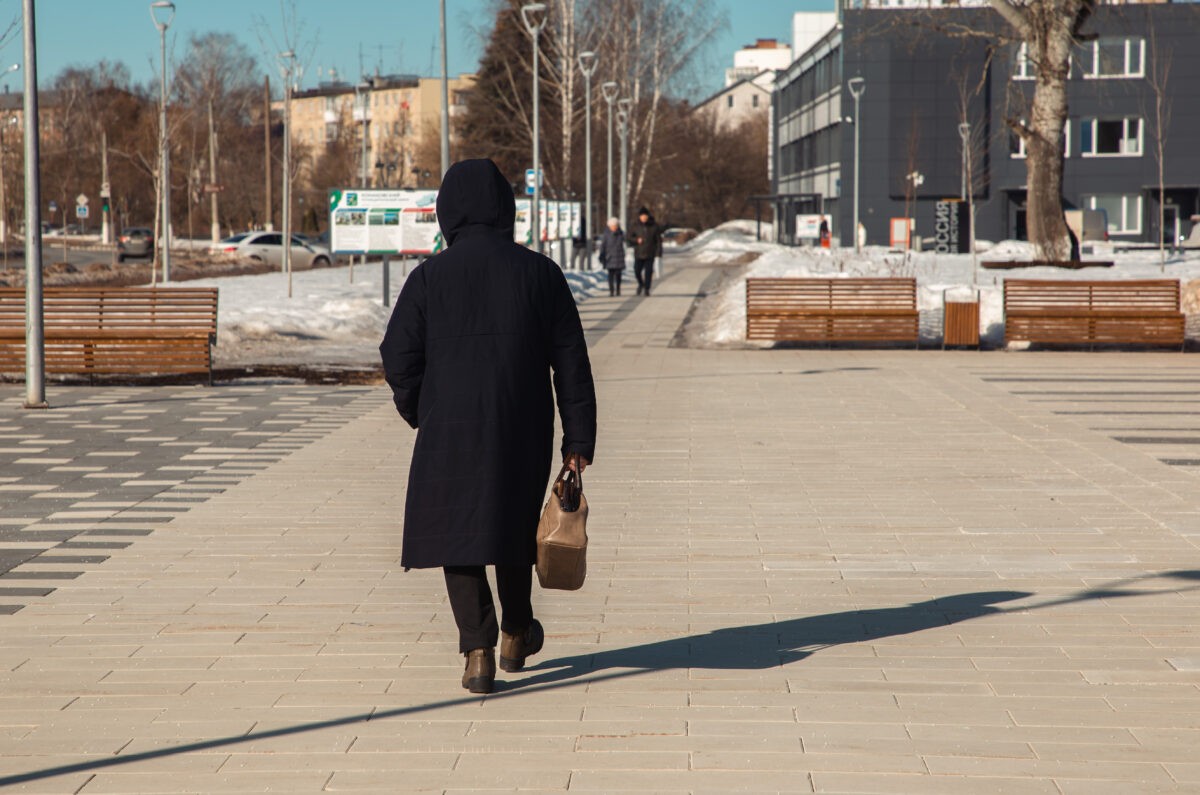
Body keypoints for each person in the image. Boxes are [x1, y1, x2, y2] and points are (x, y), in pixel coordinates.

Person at [379, 159, 597, 695]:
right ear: (506, 208)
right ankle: (516, 630)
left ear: (447, 211)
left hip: (448, 429)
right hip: (520, 424)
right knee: (513, 528)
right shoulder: (540, 273)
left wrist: (419, 410)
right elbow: (571, 361)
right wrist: (577, 443)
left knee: (459, 531)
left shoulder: (429, 278)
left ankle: (477, 650)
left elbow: (397, 355)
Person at [628, 206, 663, 296]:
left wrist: (658, 253)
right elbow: (629, 237)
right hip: (639, 253)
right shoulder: (635, 225)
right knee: (637, 271)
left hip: (650, 253)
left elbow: (658, 241)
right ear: (639, 216)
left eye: (645, 215)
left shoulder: (654, 226)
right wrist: (636, 240)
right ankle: (641, 283)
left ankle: (647, 289)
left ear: (648, 216)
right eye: (642, 216)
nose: (644, 217)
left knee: (648, 272)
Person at [598, 217, 626, 297]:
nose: (614, 227)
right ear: (609, 226)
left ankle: (618, 289)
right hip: (609, 257)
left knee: (618, 274)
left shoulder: (621, 233)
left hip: (619, 256)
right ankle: (611, 290)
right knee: (610, 274)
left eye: (616, 225)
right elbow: (603, 246)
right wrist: (602, 255)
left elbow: (625, 243)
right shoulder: (606, 234)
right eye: (613, 225)